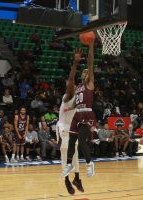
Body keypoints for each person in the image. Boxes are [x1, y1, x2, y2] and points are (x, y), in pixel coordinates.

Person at [61, 39, 96, 178]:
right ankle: (69, 165)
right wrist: (69, 109)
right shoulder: (78, 87)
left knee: (82, 142)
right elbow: (76, 101)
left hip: (87, 114)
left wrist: (91, 46)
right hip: (77, 114)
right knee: (71, 141)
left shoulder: (90, 83)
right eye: (84, 72)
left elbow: (90, 63)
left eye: (87, 72)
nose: (85, 72)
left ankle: (89, 164)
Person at [56, 49, 84, 194]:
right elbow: (72, 79)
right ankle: (66, 180)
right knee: (66, 153)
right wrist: (75, 62)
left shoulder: (78, 100)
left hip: (72, 128)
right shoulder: (67, 96)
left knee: (75, 154)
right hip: (63, 127)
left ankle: (77, 178)